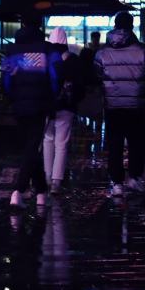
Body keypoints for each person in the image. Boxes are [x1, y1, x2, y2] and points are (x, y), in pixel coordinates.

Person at [2, 18, 62, 208]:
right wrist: (52, 96)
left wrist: (12, 96)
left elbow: (6, 79)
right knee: (32, 146)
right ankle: (18, 191)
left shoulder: (11, 51)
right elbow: (56, 77)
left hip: (19, 104)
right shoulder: (48, 50)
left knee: (30, 145)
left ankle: (41, 192)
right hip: (41, 103)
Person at [95, 11, 145, 196]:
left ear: (114, 25)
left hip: (112, 106)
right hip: (137, 105)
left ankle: (117, 182)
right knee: (137, 142)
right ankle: (135, 178)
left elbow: (97, 75)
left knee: (114, 144)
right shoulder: (143, 51)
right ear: (132, 25)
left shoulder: (102, 53)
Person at [43, 27, 84, 194]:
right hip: (67, 106)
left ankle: (47, 176)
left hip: (48, 105)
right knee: (62, 143)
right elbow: (81, 85)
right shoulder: (73, 60)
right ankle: (56, 181)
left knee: (47, 139)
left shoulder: (47, 58)